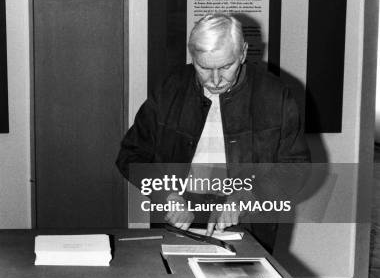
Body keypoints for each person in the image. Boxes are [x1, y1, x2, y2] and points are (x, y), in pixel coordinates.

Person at [116, 13, 310, 252]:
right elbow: (131, 155)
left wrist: (248, 196)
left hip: (247, 217)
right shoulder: (170, 88)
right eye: (204, 67)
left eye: (226, 66)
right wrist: (166, 195)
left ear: (243, 53)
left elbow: (296, 167)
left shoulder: (275, 95)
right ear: (192, 56)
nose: (216, 79)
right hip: (178, 213)